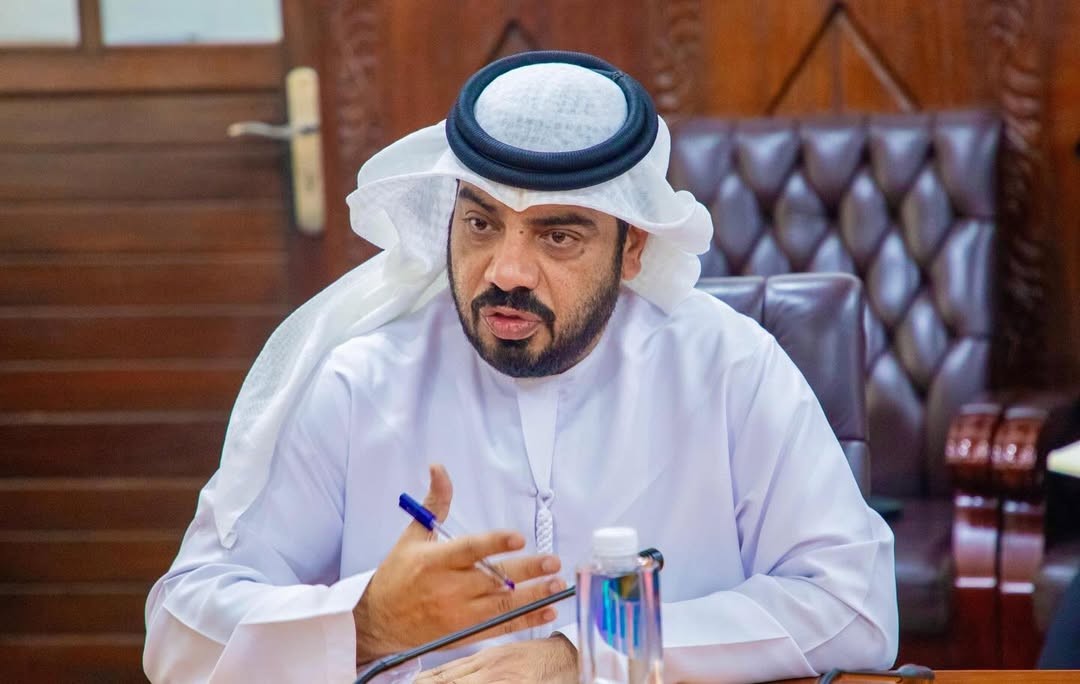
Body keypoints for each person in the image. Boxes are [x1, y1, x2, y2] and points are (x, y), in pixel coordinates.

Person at [144, 51, 898, 683]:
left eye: (557, 236)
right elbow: (178, 633)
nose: (506, 271)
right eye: (481, 223)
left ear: (633, 249)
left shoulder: (728, 367)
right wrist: (365, 622)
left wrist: (586, 655)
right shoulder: (360, 381)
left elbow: (854, 606)